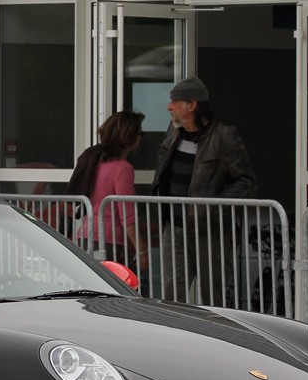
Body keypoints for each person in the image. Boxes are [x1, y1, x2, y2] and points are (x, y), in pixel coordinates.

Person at [150, 75, 257, 304]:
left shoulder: (223, 136)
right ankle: (174, 329)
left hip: (209, 231)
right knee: (172, 294)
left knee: (212, 295)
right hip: (173, 227)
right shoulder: (174, 131)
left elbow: (246, 182)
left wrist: (212, 207)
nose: (169, 107)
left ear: (192, 105)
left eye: (175, 101)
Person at [66, 110, 145, 270]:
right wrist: (142, 250)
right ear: (130, 136)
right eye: (140, 133)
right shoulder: (123, 168)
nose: (141, 138)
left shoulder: (94, 160)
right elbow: (127, 215)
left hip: (85, 234)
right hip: (108, 240)